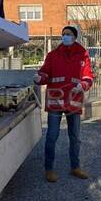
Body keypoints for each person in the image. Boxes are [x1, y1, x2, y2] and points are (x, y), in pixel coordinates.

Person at [34, 26, 93, 183]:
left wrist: (84, 85)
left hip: (73, 101)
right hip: (56, 101)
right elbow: (45, 73)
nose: (65, 37)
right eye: (63, 34)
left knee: (75, 137)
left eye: (68, 34)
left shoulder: (83, 56)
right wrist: (39, 77)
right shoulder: (53, 55)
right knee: (52, 136)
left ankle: (75, 167)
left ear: (74, 37)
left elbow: (88, 77)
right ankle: (49, 169)